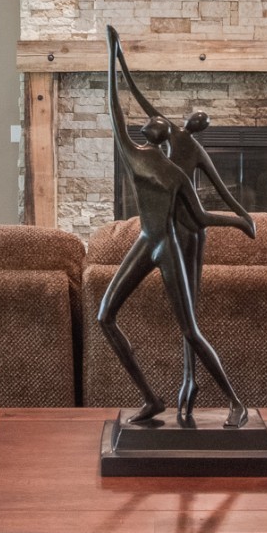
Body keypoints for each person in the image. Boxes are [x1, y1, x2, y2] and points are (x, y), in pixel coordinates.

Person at [93, 26, 253, 428]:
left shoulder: (137, 156)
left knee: (190, 330)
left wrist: (112, 62)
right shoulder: (167, 168)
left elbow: (114, 108)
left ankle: (235, 402)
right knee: (105, 316)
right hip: (149, 242)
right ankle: (150, 398)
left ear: (153, 133)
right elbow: (201, 217)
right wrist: (236, 220)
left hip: (161, 245)